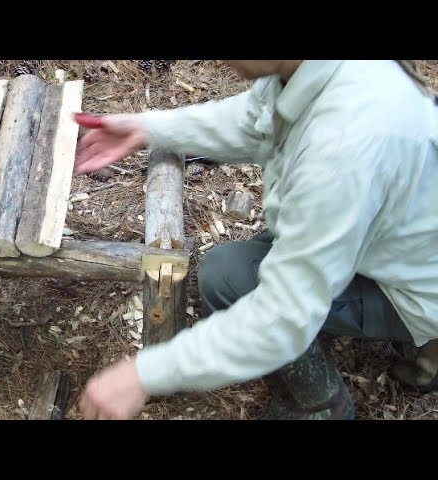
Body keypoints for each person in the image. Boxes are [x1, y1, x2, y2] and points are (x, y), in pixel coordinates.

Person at [73, 60, 438, 420]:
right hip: (404, 244)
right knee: (231, 269)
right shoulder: (320, 73)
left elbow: (284, 314)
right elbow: (256, 119)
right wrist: (149, 129)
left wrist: (144, 374)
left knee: (228, 277)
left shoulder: (347, 147)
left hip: (420, 291)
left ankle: (318, 403)